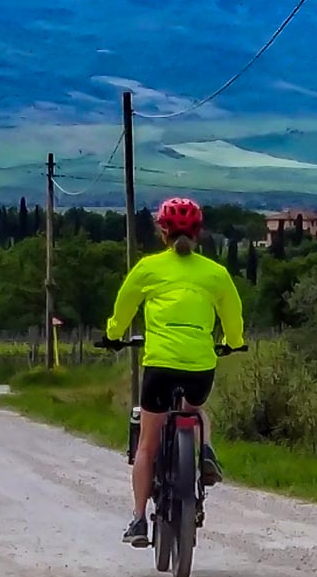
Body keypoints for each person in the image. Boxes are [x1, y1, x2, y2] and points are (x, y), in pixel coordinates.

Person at [105, 197, 245, 547]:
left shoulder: (148, 269)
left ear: (161, 232)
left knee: (147, 444)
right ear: (199, 232)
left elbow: (123, 310)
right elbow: (233, 319)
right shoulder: (216, 274)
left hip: (159, 366)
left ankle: (138, 519)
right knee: (194, 410)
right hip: (200, 366)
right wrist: (232, 341)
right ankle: (206, 451)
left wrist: (111, 335)